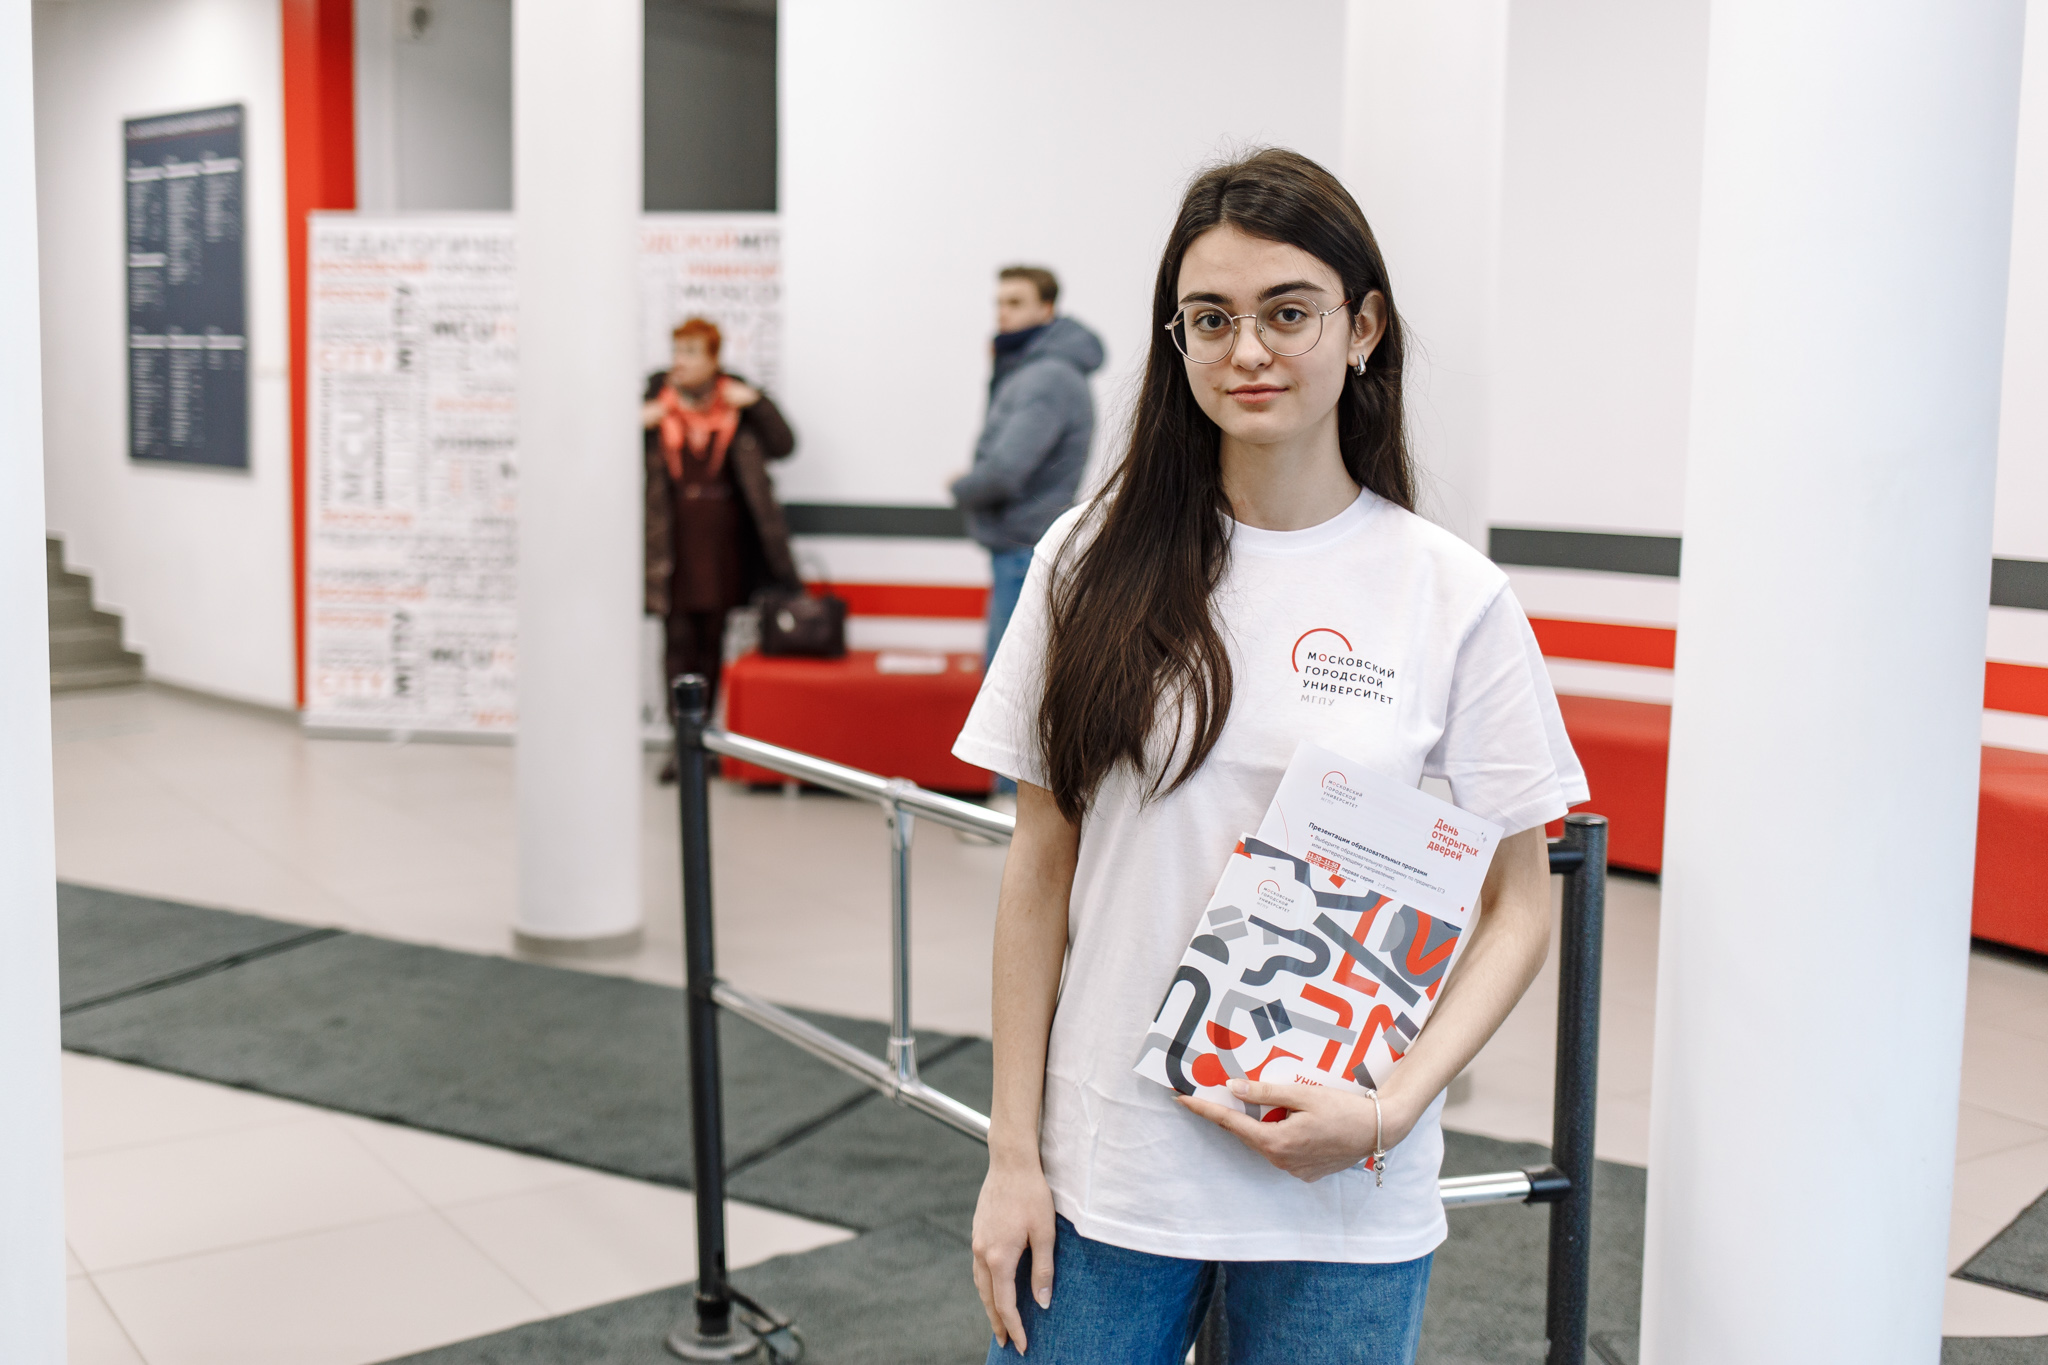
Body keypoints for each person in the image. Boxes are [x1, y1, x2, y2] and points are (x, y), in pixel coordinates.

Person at [951, 149, 1587, 1364]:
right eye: (1210, 318)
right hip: (1107, 1178)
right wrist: (1011, 1156)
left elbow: (1518, 904)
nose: (1246, 351)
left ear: (1362, 328)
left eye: (1287, 313)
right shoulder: (1085, 562)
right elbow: (1038, 866)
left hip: (1338, 1194)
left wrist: (1387, 1112)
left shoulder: (1448, 595)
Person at [951, 267, 1104, 793]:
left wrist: (961, 486)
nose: (1003, 313)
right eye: (999, 302)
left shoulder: (1047, 376)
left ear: (1047, 309)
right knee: (1014, 682)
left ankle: (1010, 810)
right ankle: (1009, 807)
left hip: (1025, 548)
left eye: (1016, 302)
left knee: (1011, 688)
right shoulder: (1035, 368)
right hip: (1021, 546)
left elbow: (1005, 471)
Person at [643, 317, 798, 778]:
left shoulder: (738, 401)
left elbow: (784, 445)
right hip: (669, 547)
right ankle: (680, 741)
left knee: (712, 642)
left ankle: (704, 739)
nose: (681, 361)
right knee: (677, 644)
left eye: (691, 352)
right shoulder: (654, 402)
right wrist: (634, 423)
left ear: (714, 359)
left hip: (724, 546)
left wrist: (759, 404)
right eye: (677, 351)